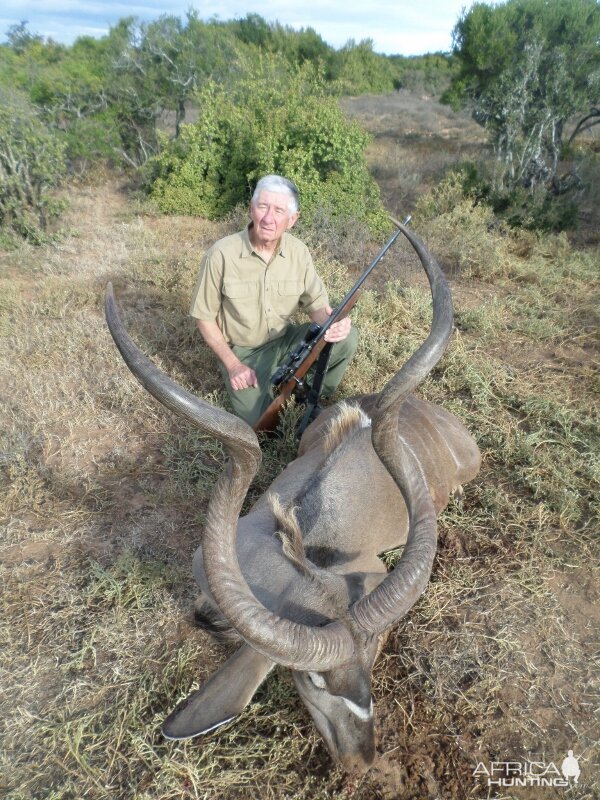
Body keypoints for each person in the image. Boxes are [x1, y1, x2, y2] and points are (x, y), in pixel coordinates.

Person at [190, 174, 358, 427]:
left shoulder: (298, 252)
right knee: (264, 425)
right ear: (251, 209)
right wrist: (234, 366)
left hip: (285, 340)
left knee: (347, 338)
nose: (269, 219)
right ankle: (278, 393)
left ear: (292, 220)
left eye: (279, 211)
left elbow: (318, 307)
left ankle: (311, 395)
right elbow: (204, 318)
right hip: (243, 353)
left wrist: (334, 323)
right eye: (263, 207)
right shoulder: (220, 254)